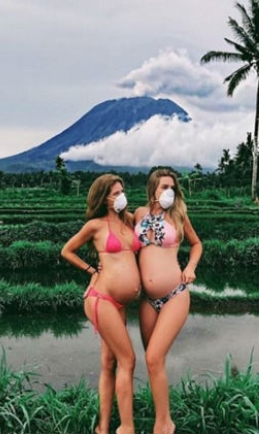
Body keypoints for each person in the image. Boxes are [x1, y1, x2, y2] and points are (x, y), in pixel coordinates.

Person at [61, 174, 140, 434]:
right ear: (104, 198)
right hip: (101, 299)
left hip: (119, 303)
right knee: (127, 360)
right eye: (116, 193)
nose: (121, 196)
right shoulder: (96, 225)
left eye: (122, 191)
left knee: (109, 363)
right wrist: (91, 270)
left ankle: (103, 428)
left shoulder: (129, 222)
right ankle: (126, 428)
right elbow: (67, 250)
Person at [134, 168, 202, 434]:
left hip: (175, 294)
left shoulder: (178, 215)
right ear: (153, 189)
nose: (169, 192)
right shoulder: (139, 215)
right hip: (147, 300)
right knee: (154, 362)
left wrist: (191, 267)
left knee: (152, 357)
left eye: (172, 187)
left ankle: (165, 424)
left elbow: (197, 244)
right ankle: (160, 413)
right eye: (164, 187)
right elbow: (115, 237)